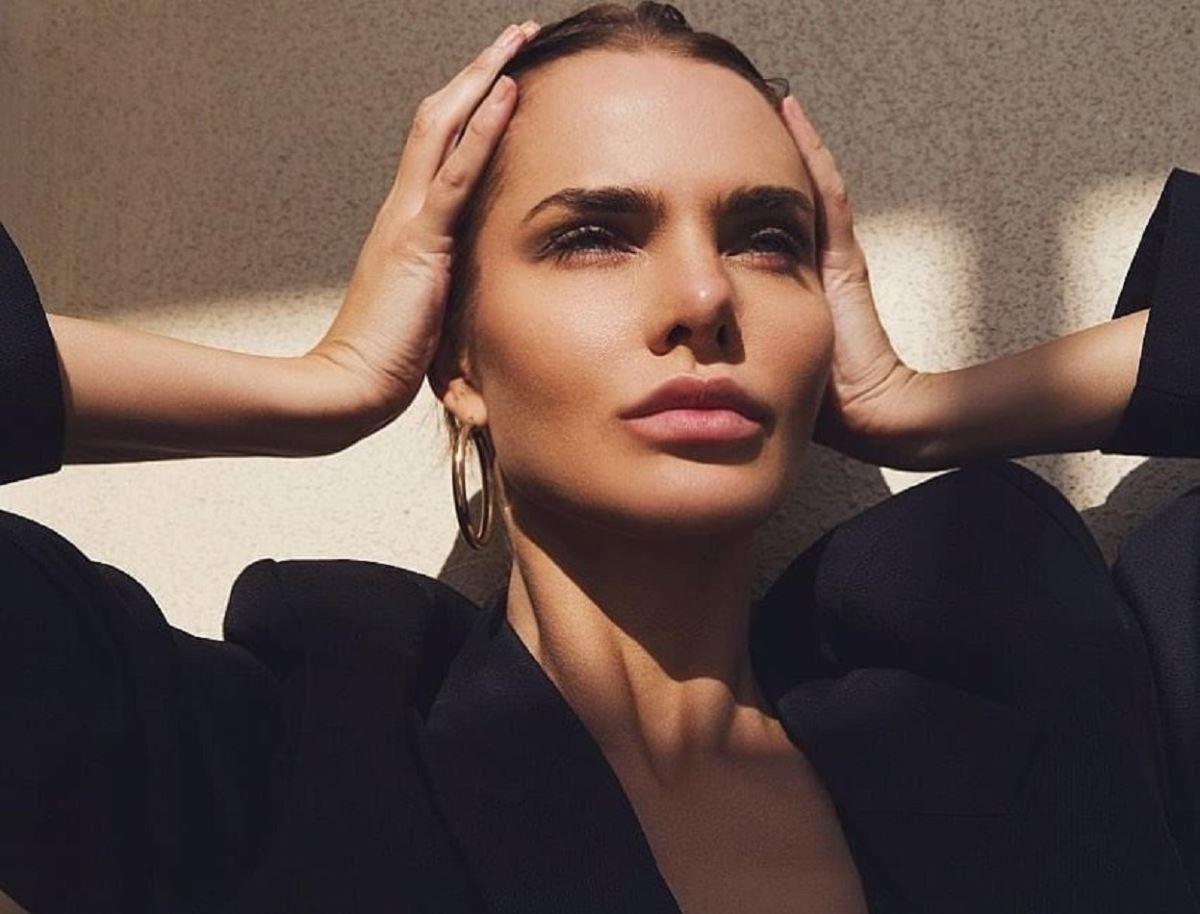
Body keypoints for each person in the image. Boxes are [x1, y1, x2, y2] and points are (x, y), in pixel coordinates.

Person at [2, 2, 1199, 912]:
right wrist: (321, 387)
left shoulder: (1061, 680)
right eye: (591, 234)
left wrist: (923, 406)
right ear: (457, 356)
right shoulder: (257, 763)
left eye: (766, 239)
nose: (704, 295)